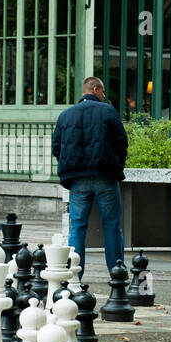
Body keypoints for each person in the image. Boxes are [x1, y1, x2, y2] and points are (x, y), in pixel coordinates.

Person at [52, 76, 129, 279]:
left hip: (78, 180)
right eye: (103, 92)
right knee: (112, 226)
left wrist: (71, 168)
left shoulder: (65, 115)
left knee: (77, 227)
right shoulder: (108, 112)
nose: (104, 96)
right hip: (105, 176)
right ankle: (117, 273)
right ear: (95, 89)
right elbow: (122, 142)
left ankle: (75, 276)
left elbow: (56, 147)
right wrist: (116, 165)